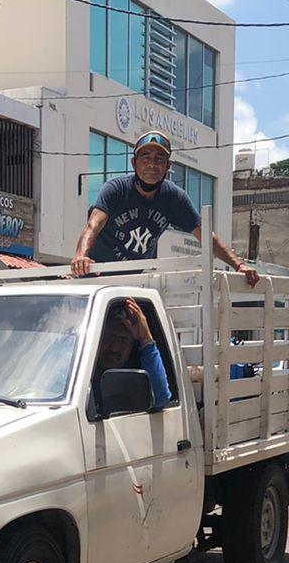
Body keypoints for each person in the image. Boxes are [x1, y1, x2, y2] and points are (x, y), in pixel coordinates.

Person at [71, 131, 260, 286]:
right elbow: (93, 225)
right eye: (145, 157)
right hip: (96, 276)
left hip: (136, 280)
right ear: (134, 163)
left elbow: (206, 238)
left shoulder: (174, 197)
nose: (152, 165)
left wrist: (239, 265)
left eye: (159, 159)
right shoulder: (116, 189)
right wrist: (81, 256)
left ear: (168, 166)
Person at [93, 300, 171, 409]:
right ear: (96, 338)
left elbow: (160, 399)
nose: (115, 348)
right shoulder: (75, 374)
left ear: (132, 346)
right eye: (109, 337)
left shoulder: (134, 380)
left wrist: (146, 339)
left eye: (123, 340)